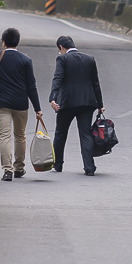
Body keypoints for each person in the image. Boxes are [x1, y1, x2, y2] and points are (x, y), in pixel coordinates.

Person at [0, 26, 42, 182]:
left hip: (2, 103)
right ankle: (19, 168)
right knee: (20, 136)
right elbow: (31, 86)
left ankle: (8, 171)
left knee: (4, 137)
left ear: (3, 42)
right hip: (21, 104)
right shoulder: (26, 60)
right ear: (17, 42)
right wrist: (37, 108)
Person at [49, 35, 103, 175]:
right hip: (87, 102)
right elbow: (95, 83)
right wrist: (100, 104)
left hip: (67, 103)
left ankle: (58, 163)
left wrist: (53, 98)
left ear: (61, 47)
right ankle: (89, 167)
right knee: (85, 133)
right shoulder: (90, 59)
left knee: (61, 132)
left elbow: (58, 78)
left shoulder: (62, 59)